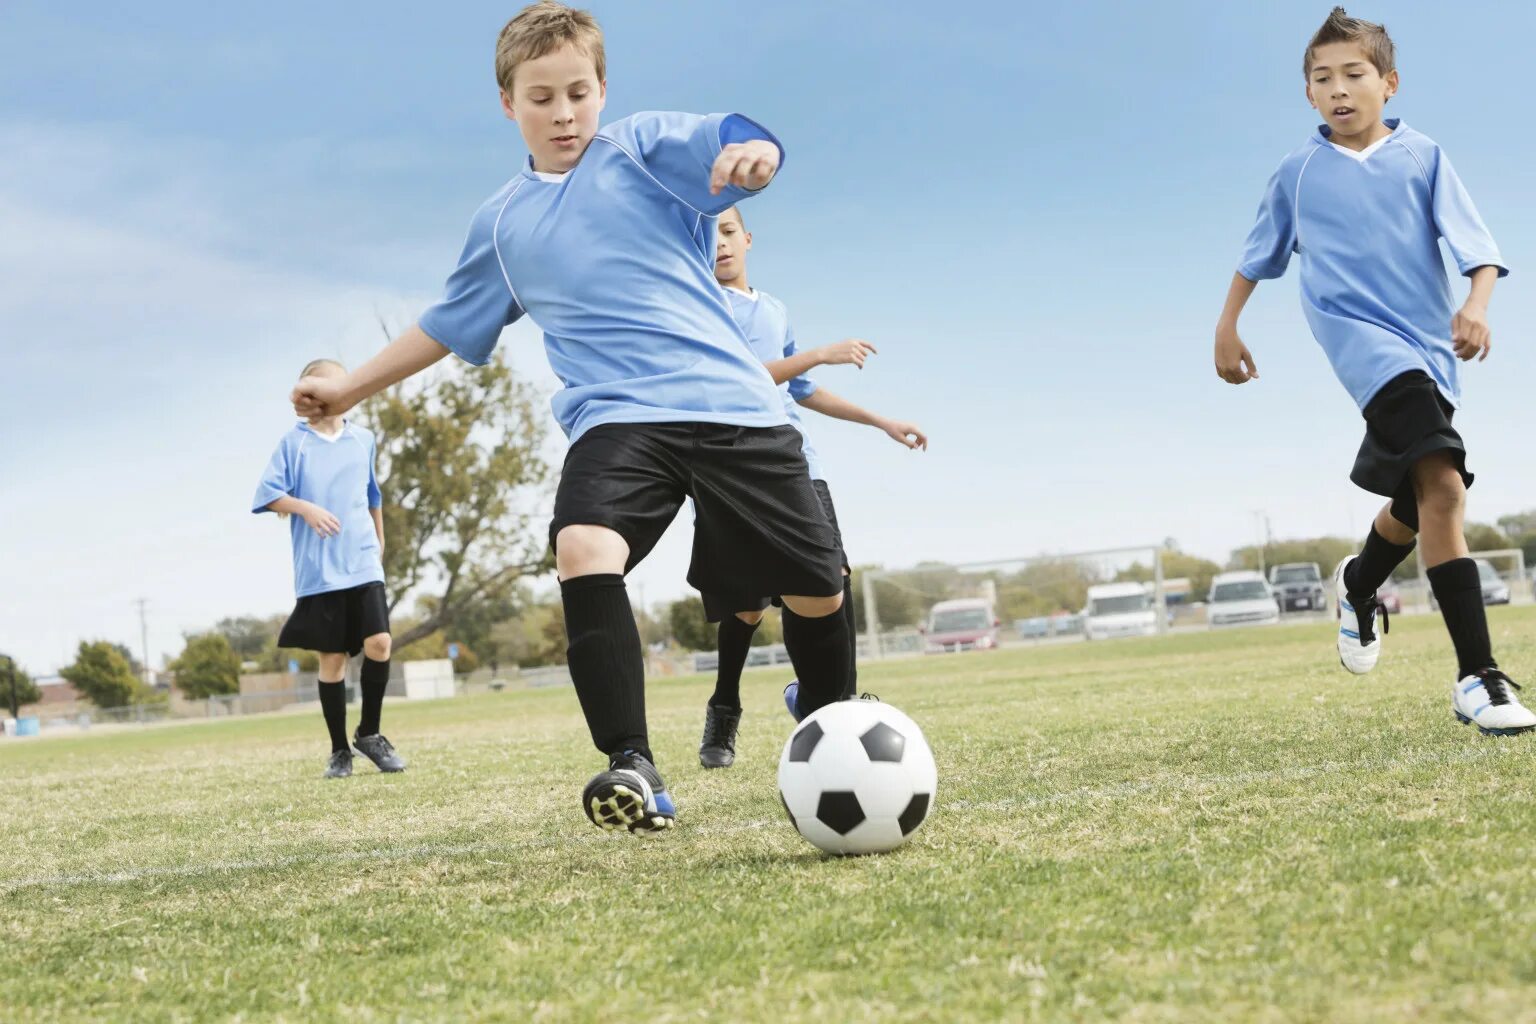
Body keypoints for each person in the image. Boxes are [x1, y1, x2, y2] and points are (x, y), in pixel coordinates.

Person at [290, 2, 853, 832]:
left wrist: (755, 155)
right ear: (508, 103)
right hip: (620, 422)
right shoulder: (504, 223)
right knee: (584, 546)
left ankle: (836, 726)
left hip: (732, 405)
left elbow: (731, 135)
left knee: (817, 588)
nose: (563, 114)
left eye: (578, 94)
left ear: (601, 91)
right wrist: (348, 392)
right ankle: (631, 763)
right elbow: (447, 324)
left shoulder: (641, 148)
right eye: (542, 96)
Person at [1213, 7, 1531, 735]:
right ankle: (1479, 679)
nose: (1339, 89)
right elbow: (1255, 256)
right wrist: (1227, 326)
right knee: (1445, 482)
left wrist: (1477, 305)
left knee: (1423, 500)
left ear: (1389, 83)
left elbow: (1478, 250)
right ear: (1308, 95)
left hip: (1431, 350)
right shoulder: (1297, 173)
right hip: (1362, 347)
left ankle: (1359, 584)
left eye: (1354, 74)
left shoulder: (1424, 156)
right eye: (1321, 79)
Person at [698, 206, 928, 768]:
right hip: (726, 464)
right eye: (707, 236)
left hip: (796, 462)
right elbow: (744, 374)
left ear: (748, 238)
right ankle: (724, 707)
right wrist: (822, 351)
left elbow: (799, 387)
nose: (720, 245)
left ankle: (832, 702)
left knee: (831, 577)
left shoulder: (774, 309)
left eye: (728, 232)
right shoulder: (699, 307)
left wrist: (881, 421)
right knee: (746, 605)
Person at [254, 359, 406, 777]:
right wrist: (304, 508)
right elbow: (268, 494)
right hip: (319, 569)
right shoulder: (294, 443)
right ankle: (340, 751)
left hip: (362, 561)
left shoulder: (364, 440)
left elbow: (373, 495)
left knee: (380, 643)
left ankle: (370, 733)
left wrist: (380, 541)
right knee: (333, 660)